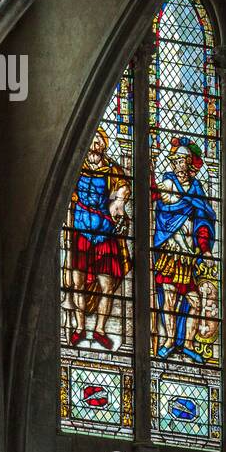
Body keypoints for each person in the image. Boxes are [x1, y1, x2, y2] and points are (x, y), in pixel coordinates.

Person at [64, 126, 130, 350]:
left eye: (98, 142)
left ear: (104, 145)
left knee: (107, 285)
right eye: (91, 141)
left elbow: (123, 189)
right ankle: (80, 327)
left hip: (104, 234)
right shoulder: (75, 166)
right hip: (81, 232)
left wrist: (119, 200)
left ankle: (100, 329)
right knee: (78, 284)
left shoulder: (112, 169)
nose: (94, 146)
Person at [152, 138, 217, 363]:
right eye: (176, 160)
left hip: (188, 256)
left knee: (195, 302)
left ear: (190, 163)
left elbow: (203, 220)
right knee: (169, 300)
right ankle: (169, 341)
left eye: (183, 160)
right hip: (170, 251)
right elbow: (159, 204)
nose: (179, 164)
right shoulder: (166, 184)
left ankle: (187, 344)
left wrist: (205, 249)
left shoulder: (196, 189)